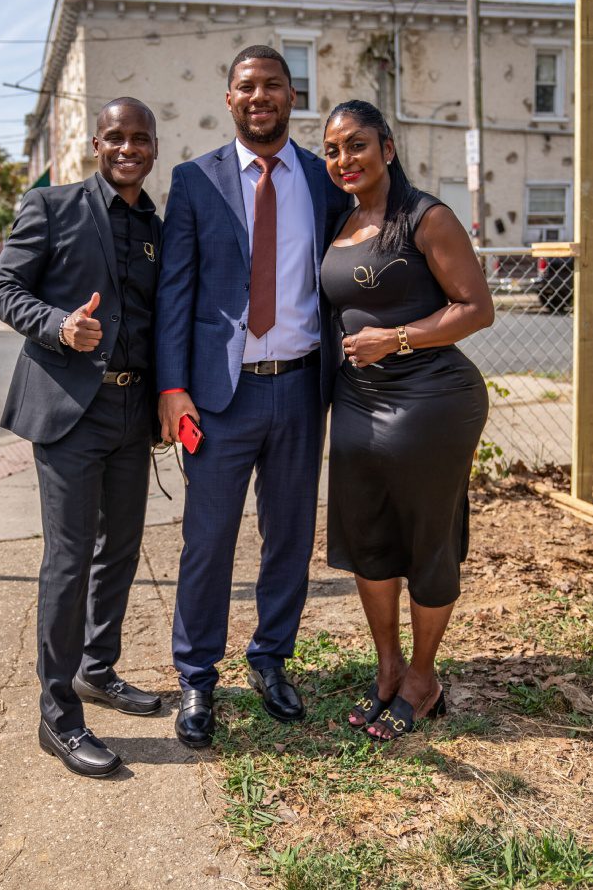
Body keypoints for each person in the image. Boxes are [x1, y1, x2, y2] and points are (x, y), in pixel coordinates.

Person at [156, 45, 349, 748]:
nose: (259, 95)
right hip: (217, 399)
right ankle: (197, 678)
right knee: (206, 542)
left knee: (289, 539)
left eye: (272, 84)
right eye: (246, 86)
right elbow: (175, 294)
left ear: (291, 95)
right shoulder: (194, 182)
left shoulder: (326, 182)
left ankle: (271, 660)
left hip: (300, 388)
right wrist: (172, 389)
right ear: (229, 97)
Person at [0, 98, 163, 777]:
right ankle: (57, 716)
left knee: (119, 547)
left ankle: (97, 669)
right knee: (67, 560)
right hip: (68, 409)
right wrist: (59, 324)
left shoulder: (154, 222)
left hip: (131, 407)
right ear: (96, 143)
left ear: (152, 146)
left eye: (139, 138)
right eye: (115, 136)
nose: (127, 148)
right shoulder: (53, 207)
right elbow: (4, 288)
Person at [320, 99, 494, 741]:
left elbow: (476, 309)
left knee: (427, 538)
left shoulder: (427, 217)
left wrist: (394, 338)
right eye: (334, 149)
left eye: (357, 144)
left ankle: (424, 678)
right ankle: (388, 667)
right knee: (368, 537)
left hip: (432, 400)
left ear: (387, 148)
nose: (345, 159)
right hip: (358, 403)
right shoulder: (340, 222)